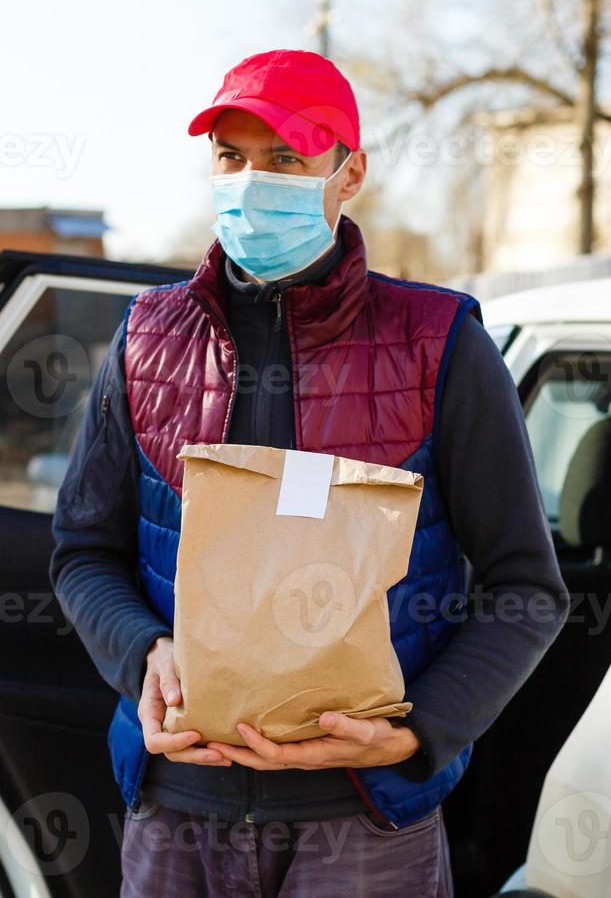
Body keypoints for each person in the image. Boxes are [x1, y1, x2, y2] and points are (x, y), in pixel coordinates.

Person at [50, 49, 566, 897]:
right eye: (231, 157)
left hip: (361, 823)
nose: (252, 182)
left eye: (285, 159)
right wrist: (143, 654)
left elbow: (526, 589)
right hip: (177, 810)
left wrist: (419, 732)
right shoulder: (146, 340)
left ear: (348, 172)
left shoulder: (438, 345)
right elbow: (81, 552)